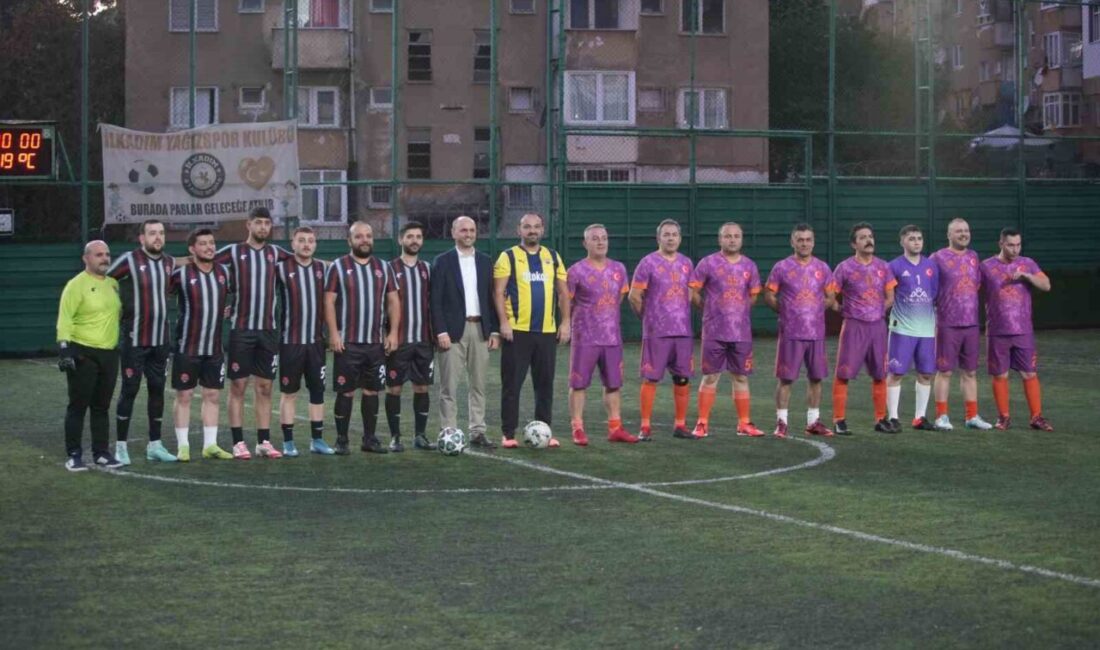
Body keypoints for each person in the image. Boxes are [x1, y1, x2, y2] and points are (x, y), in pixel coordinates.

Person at [214, 207, 293, 459]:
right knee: (238, 385)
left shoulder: (276, 253)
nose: (262, 227)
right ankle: (238, 442)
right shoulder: (233, 252)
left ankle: (263, 441)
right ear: (248, 225)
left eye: (266, 223)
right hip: (241, 330)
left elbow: (304, 259)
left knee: (265, 387)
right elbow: (206, 263)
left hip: (268, 331)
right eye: (258, 223)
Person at [493, 212, 570, 448]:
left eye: (536, 227)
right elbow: (498, 293)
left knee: (545, 384)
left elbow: (563, 293)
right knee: (512, 384)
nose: (532, 231)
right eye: (527, 227)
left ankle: (545, 430)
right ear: (519, 230)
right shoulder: (508, 257)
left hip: (546, 332)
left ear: (542, 230)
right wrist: (504, 323)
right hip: (517, 331)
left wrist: (565, 322)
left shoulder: (553, 257)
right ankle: (508, 434)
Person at [324, 221, 400, 455]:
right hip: (348, 342)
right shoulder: (338, 266)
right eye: (359, 236)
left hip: (375, 343)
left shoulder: (383, 267)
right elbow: (328, 301)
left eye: (368, 236)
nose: (364, 240)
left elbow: (393, 301)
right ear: (350, 241)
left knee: (372, 391)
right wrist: (334, 333)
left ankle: (369, 439)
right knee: (346, 391)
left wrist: (393, 332)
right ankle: (342, 439)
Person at [106, 219, 177, 463]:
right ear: (142, 238)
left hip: (160, 341)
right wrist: (117, 308)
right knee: (130, 390)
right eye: (152, 233)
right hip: (134, 339)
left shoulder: (169, 262)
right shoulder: (129, 259)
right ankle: (121, 447)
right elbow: (105, 279)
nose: (157, 237)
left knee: (157, 391)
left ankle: (154, 445)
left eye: (161, 233)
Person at [688, 222, 765, 438]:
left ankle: (744, 424)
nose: (732, 240)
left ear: (742, 239)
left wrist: (738, 313)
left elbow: (754, 294)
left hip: (741, 333)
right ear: (720, 239)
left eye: (736, 236)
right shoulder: (707, 263)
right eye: (727, 236)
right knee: (711, 376)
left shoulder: (749, 266)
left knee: (740, 377)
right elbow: (693, 291)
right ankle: (702, 423)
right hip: (714, 331)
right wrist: (707, 309)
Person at [430, 215, 500, 449]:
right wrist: (440, 330)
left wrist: (494, 331)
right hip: (452, 332)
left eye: (472, 230)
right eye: (463, 230)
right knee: (449, 386)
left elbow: (491, 298)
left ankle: (477, 431)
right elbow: (435, 301)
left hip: (480, 329)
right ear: (453, 233)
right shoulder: (442, 261)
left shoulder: (485, 261)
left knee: (478, 385)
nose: (468, 234)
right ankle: (448, 431)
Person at [566, 224, 638, 446]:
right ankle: (577, 428)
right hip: (584, 338)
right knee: (578, 385)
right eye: (595, 238)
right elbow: (566, 301)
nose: (600, 242)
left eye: (604, 238)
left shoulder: (618, 269)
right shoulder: (575, 271)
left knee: (613, 384)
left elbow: (620, 297)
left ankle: (615, 427)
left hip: (612, 337)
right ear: (585, 243)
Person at [763, 223, 837, 438]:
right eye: (800, 239)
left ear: (813, 242)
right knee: (786, 379)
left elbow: (831, 296)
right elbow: (769, 295)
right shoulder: (782, 267)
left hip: (816, 333)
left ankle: (813, 421)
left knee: (816, 377)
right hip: (791, 333)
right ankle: (781, 422)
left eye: (808, 240)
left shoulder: (822, 268)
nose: (804, 243)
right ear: (792, 242)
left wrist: (814, 310)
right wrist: (787, 312)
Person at [56, 241, 124, 471]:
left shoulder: (113, 284)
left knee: (102, 406)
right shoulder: (76, 285)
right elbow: (65, 317)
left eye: (107, 254)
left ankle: (101, 453)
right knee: (78, 405)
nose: (104, 258)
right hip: (83, 352)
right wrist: (65, 349)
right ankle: (74, 454)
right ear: (86, 258)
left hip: (110, 353)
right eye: (98, 255)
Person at [169, 229, 234, 462]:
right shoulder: (181, 274)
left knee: (212, 395)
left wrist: (231, 309)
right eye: (203, 243)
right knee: (184, 395)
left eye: (212, 243)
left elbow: (237, 296)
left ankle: (210, 445)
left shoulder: (224, 273)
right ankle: (183, 446)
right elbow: (159, 294)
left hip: (214, 348)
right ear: (192, 249)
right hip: (187, 347)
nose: (209, 247)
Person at [629, 219, 696, 441]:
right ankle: (645, 427)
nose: (670, 238)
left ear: (680, 238)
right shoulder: (647, 263)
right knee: (651, 378)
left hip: (683, 332)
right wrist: (648, 319)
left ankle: (680, 426)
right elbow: (634, 296)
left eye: (674, 234)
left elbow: (690, 294)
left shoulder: (687, 263)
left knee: (683, 379)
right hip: (657, 333)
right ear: (658, 238)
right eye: (666, 235)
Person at [980, 228, 1053, 431]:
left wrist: (1026, 276)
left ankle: (1036, 417)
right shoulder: (986, 266)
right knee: (1000, 375)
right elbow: (970, 288)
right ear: (1001, 244)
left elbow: (1046, 285)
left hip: (1023, 331)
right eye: (1011, 245)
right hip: (997, 330)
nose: (1015, 249)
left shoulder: (1028, 263)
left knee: (1029, 373)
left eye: (1018, 245)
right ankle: (1003, 417)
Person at [830, 222, 896, 435]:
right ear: (853, 244)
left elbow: (890, 297)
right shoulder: (844, 267)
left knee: (880, 373)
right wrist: (843, 309)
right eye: (863, 237)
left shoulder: (883, 267)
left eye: (870, 236)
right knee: (844, 373)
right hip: (853, 326)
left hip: (877, 326)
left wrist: (876, 311)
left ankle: (880, 419)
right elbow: (830, 295)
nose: (869, 240)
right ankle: (839, 420)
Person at [275, 226, 335, 457]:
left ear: (315, 245)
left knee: (317, 391)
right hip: (291, 342)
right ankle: (288, 442)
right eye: (302, 240)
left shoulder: (323, 269)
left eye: (311, 240)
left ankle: (317, 440)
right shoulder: (281, 269)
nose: (306, 244)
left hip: (316, 343)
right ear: (293, 244)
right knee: (289, 393)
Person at [930, 218, 994, 430]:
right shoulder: (937, 257)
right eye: (958, 231)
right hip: (947, 323)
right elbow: (929, 289)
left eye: (966, 230)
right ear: (949, 235)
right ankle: (941, 416)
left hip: (971, 324)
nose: (964, 234)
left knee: (970, 372)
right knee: (945, 371)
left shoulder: (974, 257)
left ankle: (972, 416)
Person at [384, 222, 435, 452]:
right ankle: (395, 437)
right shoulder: (389, 268)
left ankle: (420, 435)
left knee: (422, 388)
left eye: (418, 237)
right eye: (410, 236)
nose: (414, 240)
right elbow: (381, 304)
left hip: (423, 340)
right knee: (394, 388)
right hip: (399, 341)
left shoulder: (427, 268)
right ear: (400, 240)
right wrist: (386, 333)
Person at [886, 225, 939, 431]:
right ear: (902, 242)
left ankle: (920, 417)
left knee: (926, 374)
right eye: (911, 238)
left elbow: (933, 293)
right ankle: (893, 417)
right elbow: (889, 296)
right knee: (896, 373)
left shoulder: (931, 266)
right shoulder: (894, 266)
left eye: (919, 238)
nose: (916, 241)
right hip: (902, 329)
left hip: (926, 330)